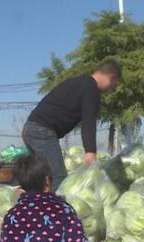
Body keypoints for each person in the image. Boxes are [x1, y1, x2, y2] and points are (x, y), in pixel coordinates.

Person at [23, 59, 122, 191]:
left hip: (31, 129)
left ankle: (34, 208)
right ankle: (60, 210)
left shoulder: (79, 82)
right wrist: (90, 151)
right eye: (114, 85)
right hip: (42, 131)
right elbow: (88, 120)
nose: (111, 89)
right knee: (59, 177)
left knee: (40, 178)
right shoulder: (91, 88)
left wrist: (28, 131)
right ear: (112, 78)